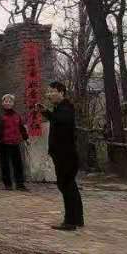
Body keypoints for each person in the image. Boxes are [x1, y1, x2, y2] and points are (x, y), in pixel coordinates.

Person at [36, 81, 85, 231]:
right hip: (63, 154)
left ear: (61, 92)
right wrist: (47, 113)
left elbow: (63, 121)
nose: (49, 94)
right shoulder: (60, 108)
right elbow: (58, 120)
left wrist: (49, 114)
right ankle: (77, 218)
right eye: (48, 92)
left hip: (66, 154)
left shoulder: (66, 108)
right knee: (69, 186)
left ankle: (70, 221)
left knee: (66, 185)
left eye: (52, 91)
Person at [0, 94, 30, 191]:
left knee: (18, 164)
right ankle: (7, 184)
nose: (8, 103)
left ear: (13, 103)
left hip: (15, 143)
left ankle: (20, 184)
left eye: (10, 101)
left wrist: (26, 138)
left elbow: (21, 128)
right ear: (2, 103)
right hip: (3, 143)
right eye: (6, 101)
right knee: (5, 164)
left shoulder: (17, 115)